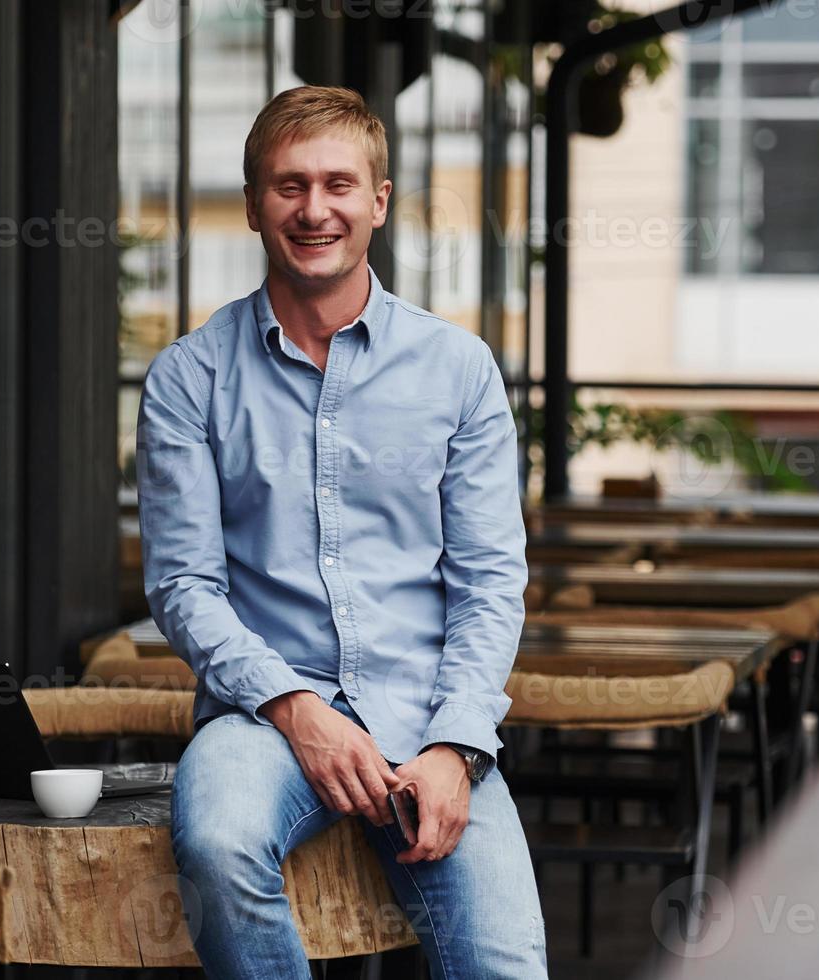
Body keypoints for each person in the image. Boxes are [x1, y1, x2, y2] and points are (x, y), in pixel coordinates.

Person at [136, 85, 547, 979]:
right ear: (253, 205)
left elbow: (488, 580)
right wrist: (297, 709)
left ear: (379, 201)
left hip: (428, 713)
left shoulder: (459, 369)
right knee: (216, 842)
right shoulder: (188, 381)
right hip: (266, 718)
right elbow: (183, 585)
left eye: (338, 184)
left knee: (504, 967)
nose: (314, 209)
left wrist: (456, 745)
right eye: (288, 186)